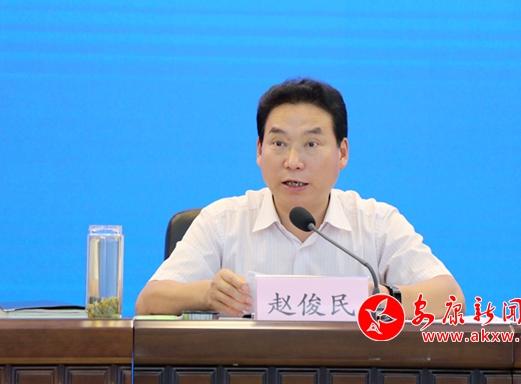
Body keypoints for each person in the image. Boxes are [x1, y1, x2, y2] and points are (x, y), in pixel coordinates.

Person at [135, 78, 464, 318]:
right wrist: (207, 294)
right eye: (279, 144)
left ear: (342, 153)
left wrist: (380, 296)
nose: (293, 161)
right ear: (259, 150)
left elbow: (450, 299)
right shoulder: (222, 221)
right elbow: (149, 302)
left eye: (311, 144)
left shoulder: (377, 223)